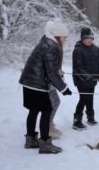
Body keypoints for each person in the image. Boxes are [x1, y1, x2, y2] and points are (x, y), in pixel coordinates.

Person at [19, 18, 72, 154]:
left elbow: (49, 69)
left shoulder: (45, 42)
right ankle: (45, 144)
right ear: (57, 36)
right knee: (46, 110)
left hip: (29, 81)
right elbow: (51, 71)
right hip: (37, 84)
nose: (64, 40)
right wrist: (63, 88)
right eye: (63, 37)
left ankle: (30, 140)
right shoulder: (51, 47)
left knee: (34, 110)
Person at [72, 27, 99, 130]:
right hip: (81, 80)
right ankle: (77, 120)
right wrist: (87, 76)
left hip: (92, 80)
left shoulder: (96, 49)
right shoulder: (78, 50)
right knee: (83, 98)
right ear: (82, 38)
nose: (89, 40)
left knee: (90, 98)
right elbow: (78, 67)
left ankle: (90, 117)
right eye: (86, 38)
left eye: (90, 38)